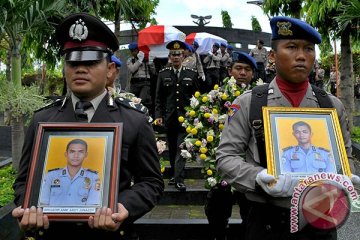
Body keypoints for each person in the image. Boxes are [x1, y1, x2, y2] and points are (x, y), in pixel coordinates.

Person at [12, 13, 164, 240]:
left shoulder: (135, 120)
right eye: (73, 62)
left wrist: (122, 207)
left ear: (111, 70)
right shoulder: (43, 120)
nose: (80, 69)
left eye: (91, 62)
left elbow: (151, 182)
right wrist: (29, 205)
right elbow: (24, 181)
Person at [216, 16, 360, 240]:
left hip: (319, 219)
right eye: (291, 47)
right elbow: (225, 158)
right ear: (272, 56)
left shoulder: (331, 105)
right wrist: (258, 176)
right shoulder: (249, 103)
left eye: (309, 49)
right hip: (266, 220)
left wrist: (345, 176)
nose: (301, 56)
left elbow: (345, 154)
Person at [205, 51, 257, 240]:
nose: (242, 73)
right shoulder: (215, 97)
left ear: (253, 74)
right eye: (238, 68)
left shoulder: (261, 99)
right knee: (217, 210)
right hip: (223, 167)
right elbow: (202, 123)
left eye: (247, 69)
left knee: (250, 214)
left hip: (251, 169)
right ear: (230, 71)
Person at [154, 40, 199, 191]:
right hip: (169, 118)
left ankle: (179, 179)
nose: (175, 57)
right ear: (169, 56)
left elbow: (196, 97)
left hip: (186, 119)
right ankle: (174, 175)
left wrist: (195, 116)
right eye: (173, 55)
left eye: (178, 54)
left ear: (183, 55)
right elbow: (159, 97)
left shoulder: (191, 74)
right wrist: (159, 115)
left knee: (181, 148)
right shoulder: (163, 74)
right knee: (172, 148)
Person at [39, 139, 101, 206]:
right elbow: (43, 204)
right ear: (66, 154)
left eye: (80, 152)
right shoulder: (51, 176)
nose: (76, 156)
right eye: (72, 152)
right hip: (51, 216)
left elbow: (92, 207)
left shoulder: (93, 177)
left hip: (80, 217)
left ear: (86, 154)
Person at [126, 42, 153, 112]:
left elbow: (153, 72)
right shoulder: (130, 60)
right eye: (131, 51)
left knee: (142, 100)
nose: (133, 53)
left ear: (138, 50)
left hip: (145, 83)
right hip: (134, 83)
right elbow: (132, 69)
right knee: (131, 101)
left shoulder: (146, 59)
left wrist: (150, 62)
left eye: (134, 51)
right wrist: (139, 60)